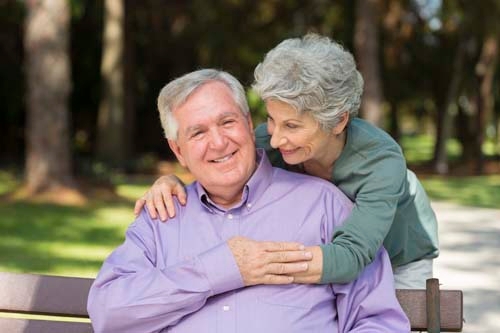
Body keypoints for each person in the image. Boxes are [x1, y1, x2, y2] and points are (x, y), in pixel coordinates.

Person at [88, 69, 410, 332]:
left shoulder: (325, 206)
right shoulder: (163, 216)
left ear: (248, 124)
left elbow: (378, 321)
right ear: (178, 151)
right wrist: (223, 268)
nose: (218, 142)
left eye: (227, 122)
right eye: (198, 133)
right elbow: (108, 311)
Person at [134, 33, 439, 289]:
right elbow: (221, 166)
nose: (276, 139)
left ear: (338, 121)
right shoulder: (270, 139)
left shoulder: (381, 161)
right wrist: (172, 183)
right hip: (322, 256)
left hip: (399, 258)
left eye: (292, 126)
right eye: (270, 119)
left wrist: (252, 265)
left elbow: (349, 257)